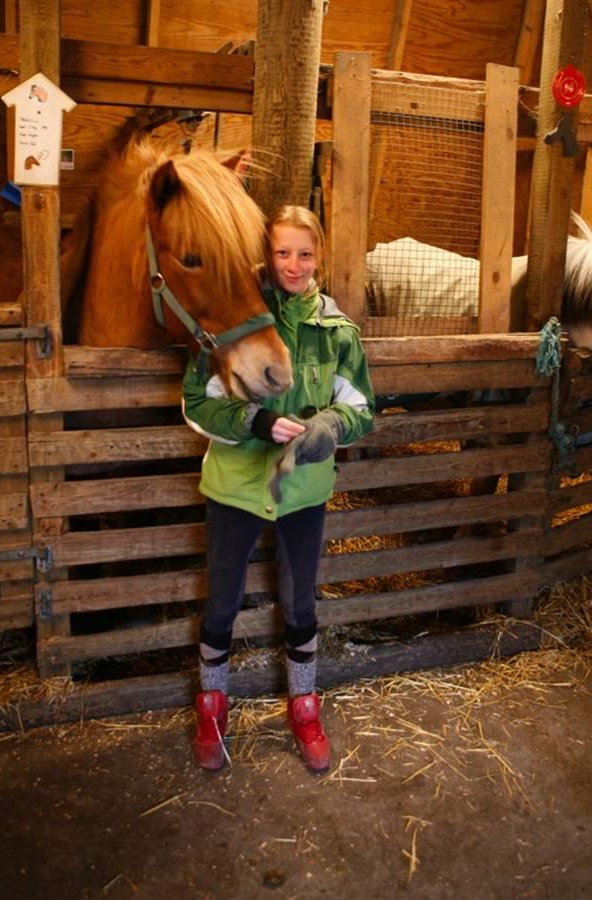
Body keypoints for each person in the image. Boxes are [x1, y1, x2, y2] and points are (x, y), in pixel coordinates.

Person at [182, 204, 375, 773]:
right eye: (283, 253)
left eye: (305, 253)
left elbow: (363, 408)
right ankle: (212, 706)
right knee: (221, 599)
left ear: (320, 257)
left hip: (304, 491)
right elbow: (197, 404)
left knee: (300, 603)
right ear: (267, 256)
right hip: (235, 487)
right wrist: (253, 422)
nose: (294, 264)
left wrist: (328, 427)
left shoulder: (337, 333)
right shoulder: (236, 322)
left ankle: (305, 704)